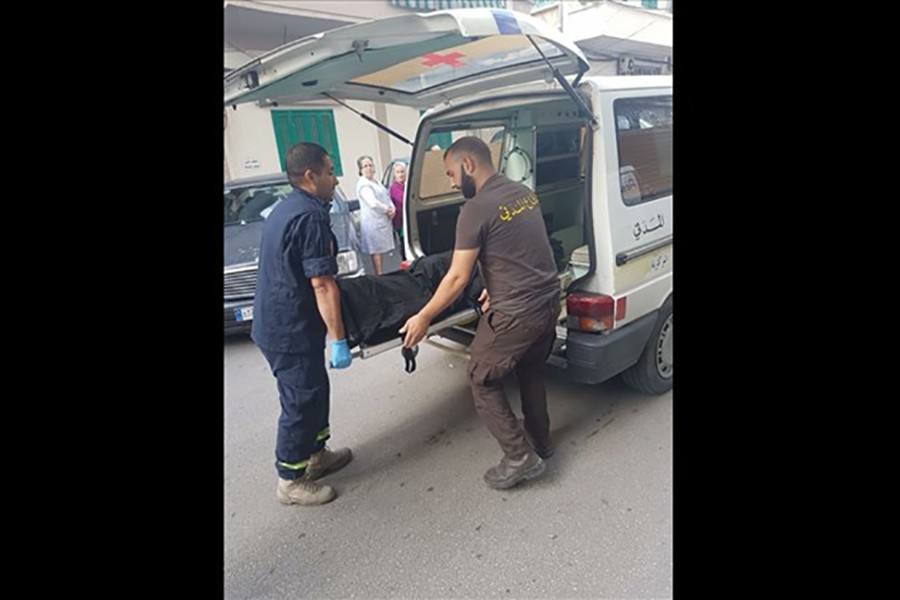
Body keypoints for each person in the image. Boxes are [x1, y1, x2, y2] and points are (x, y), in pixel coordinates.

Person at [400, 136, 561, 491]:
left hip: (516, 312)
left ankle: (519, 456)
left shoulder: (474, 209)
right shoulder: (523, 193)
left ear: (468, 165)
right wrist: (494, 282)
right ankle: (542, 442)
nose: (452, 182)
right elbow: (521, 247)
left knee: (481, 378)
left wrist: (424, 317)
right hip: (548, 302)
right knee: (531, 368)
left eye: (451, 173)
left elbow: (457, 276)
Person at [251, 142, 354, 507]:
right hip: (288, 329)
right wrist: (339, 338)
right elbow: (322, 283)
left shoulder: (287, 208)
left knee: (314, 392)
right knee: (300, 402)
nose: (335, 178)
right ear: (310, 176)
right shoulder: (310, 216)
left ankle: (316, 455)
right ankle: (290, 481)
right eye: (329, 172)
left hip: (286, 323)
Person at [355, 155, 396, 275]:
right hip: (373, 221)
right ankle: (379, 274)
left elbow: (386, 196)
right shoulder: (363, 184)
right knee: (376, 250)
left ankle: (381, 272)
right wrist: (387, 209)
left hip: (382, 218)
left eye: (370, 165)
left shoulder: (375, 181)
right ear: (360, 170)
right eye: (365, 166)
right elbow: (372, 202)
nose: (368, 168)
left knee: (380, 249)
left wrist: (392, 208)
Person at [389, 161, 407, 259]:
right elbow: (404, 199)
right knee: (404, 245)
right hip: (401, 222)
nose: (401, 174)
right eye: (398, 172)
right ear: (394, 175)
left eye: (402, 172)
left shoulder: (406, 186)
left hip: (407, 221)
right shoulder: (394, 188)